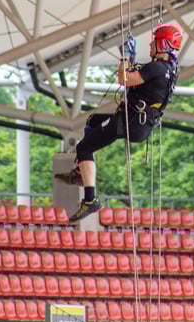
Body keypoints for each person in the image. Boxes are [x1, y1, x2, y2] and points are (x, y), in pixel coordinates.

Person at [55, 24, 182, 222]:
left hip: (130, 122)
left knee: (84, 148)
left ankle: (90, 199)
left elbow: (124, 79)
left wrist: (125, 57)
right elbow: (141, 77)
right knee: (93, 121)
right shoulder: (169, 70)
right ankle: (82, 171)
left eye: (153, 42)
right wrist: (130, 60)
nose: (150, 45)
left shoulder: (156, 68)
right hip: (138, 122)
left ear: (162, 45)